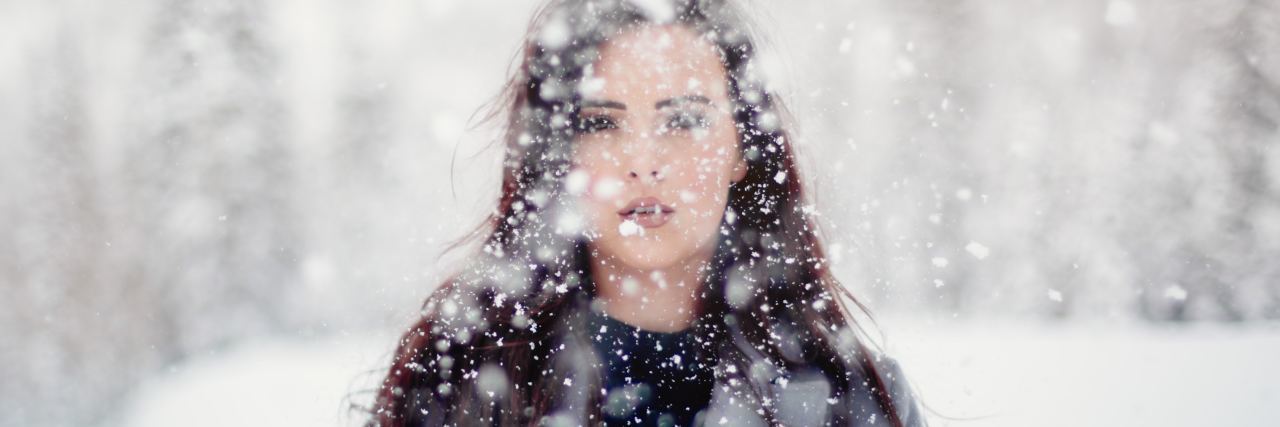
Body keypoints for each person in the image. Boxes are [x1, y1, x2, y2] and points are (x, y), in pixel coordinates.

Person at [369, 0, 926, 426]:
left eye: (682, 119)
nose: (643, 162)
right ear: (559, 154)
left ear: (742, 149)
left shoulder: (846, 397)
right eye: (602, 123)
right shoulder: (461, 381)